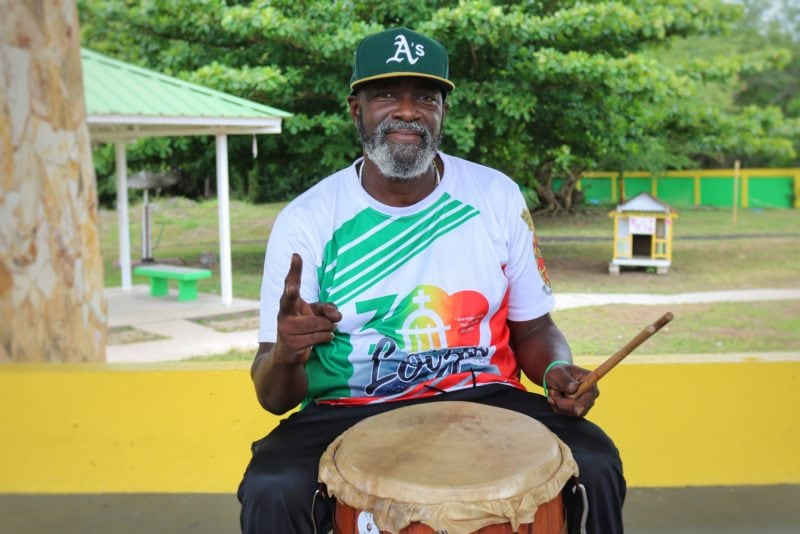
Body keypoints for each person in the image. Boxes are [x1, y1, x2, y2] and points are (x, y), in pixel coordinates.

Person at [238, 27, 625, 534]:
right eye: (384, 95)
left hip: (485, 395)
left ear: (443, 111)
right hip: (348, 408)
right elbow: (273, 396)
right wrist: (287, 355)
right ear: (355, 109)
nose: (407, 110)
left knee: (594, 463)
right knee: (272, 489)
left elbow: (533, 329)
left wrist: (557, 368)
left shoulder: (495, 196)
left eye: (425, 96)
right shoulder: (307, 220)